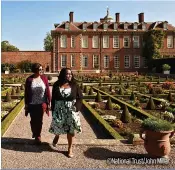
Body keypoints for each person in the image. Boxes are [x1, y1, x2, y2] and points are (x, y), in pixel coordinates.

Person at [49, 68, 83, 158]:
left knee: (70, 130)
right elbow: (53, 99)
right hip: (59, 110)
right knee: (58, 125)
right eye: (67, 74)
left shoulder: (74, 85)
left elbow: (80, 98)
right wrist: (53, 110)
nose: (69, 75)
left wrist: (76, 107)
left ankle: (70, 148)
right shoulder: (56, 84)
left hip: (71, 110)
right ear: (63, 75)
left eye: (70, 74)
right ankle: (57, 135)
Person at [24, 63, 51, 144]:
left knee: (39, 120)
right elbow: (26, 93)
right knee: (33, 120)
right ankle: (34, 132)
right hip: (32, 103)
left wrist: (48, 102)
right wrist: (26, 104)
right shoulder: (29, 79)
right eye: (40, 69)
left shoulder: (44, 78)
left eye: (42, 69)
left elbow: (48, 91)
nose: (41, 70)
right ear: (35, 70)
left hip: (41, 104)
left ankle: (38, 136)